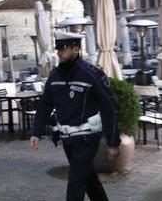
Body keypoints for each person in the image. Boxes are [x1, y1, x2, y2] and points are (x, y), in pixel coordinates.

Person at [30, 32, 120, 201]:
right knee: (88, 180)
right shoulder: (54, 75)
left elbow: (109, 108)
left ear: (76, 49)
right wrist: (36, 131)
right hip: (67, 138)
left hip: (87, 137)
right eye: (58, 49)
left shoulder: (92, 74)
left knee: (75, 184)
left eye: (63, 49)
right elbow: (45, 104)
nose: (59, 53)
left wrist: (113, 142)